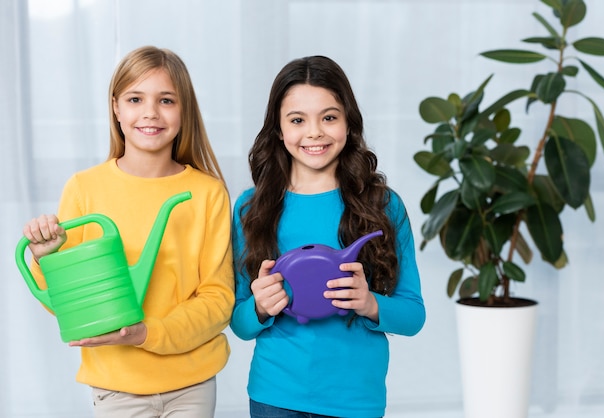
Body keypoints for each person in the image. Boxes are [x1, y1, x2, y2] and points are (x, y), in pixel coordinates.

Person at [21, 46, 234, 417]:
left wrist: (148, 334)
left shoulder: (208, 192)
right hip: (115, 386)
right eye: (136, 99)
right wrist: (46, 259)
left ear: (184, 111)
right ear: (116, 107)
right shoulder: (84, 188)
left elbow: (217, 300)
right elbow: (70, 304)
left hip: (192, 385)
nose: (150, 112)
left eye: (166, 100)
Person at [230, 55, 426, 418]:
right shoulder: (251, 208)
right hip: (275, 396)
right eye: (297, 120)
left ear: (348, 124)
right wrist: (258, 306)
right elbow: (239, 323)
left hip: (355, 400)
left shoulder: (383, 204)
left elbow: (413, 314)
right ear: (278, 129)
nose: (314, 132)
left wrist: (371, 305)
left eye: (329, 117)